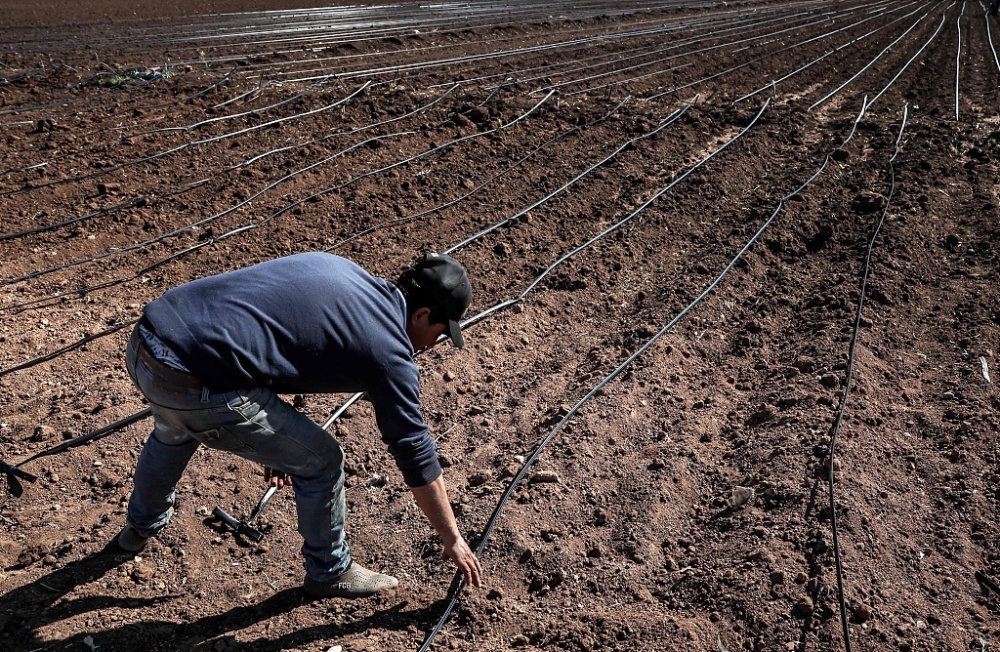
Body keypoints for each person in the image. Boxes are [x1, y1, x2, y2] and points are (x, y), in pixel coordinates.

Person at [117, 251, 482, 598]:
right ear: (420, 315)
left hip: (148, 343)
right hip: (193, 381)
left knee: (174, 430)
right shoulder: (390, 354)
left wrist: (273, 445)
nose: (435, 345)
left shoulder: (342, 271)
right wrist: (451, 536)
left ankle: (139, 528)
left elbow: (268, 334)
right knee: (321, 461)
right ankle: (331, 571)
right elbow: (413, 447)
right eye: (441, 333)